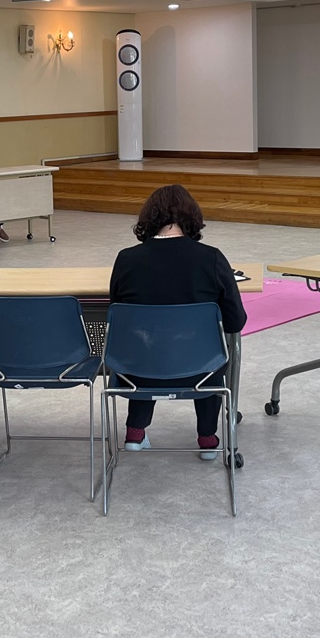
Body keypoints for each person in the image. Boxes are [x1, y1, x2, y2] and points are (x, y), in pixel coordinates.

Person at [108, 185, 246, 459]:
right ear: (191, 216)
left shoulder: (126, 259)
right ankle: (207, 438)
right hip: (199, 370)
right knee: (213, 350)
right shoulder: (211, 258)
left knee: (142, 342)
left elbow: (119, 314)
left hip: (137, 368)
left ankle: (135, 432)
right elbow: (235, 322)